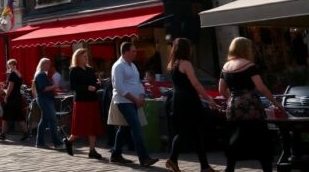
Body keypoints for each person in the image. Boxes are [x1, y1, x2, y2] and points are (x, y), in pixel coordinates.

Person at [219, 37, 282, 172]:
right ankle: (267, 168)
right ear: (245, 49)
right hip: (250, 105)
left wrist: (232, 99)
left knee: (235, 136)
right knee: (260, 136)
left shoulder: (225, 66)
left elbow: (221, 90)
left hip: (233, 107)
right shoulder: (249, 65)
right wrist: (275, 102)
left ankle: (230, 168)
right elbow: (261, 87)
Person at [165, 38, 218, 172]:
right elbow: (195, 83)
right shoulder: (186, 63)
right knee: (194, 131)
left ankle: (201, 165)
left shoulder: (172, 64)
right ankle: (175, 159)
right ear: (186, 49)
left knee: (187, 132)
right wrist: (208, 98)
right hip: (189, 99)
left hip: (177, 99)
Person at [110, 42, 158, 166]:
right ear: (125, 52)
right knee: (136, 127)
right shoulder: (118, 66)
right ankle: (144, 158)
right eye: (133, 51)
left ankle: (116, 154)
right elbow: (119, 87)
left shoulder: (133, 66)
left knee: (124, 129)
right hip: (124, 101)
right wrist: (135, 99)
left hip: (134, 101)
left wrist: (141, 95)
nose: (135, 53)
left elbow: (138, 83)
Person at [65, 49, 103, 159]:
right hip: (81, 101)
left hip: (92, 100)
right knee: (79, 127)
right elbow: (73, 87)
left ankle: (92, 150)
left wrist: (97, 85)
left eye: (87, 56)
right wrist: (87, 87)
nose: (86, 58)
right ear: (77, 58)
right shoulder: (74, 70)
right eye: (84, 56)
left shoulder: (90, 70)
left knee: (93, 126)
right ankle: (69, 141)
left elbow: (96, 83)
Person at [33, 58, 64, 149]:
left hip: (44, 99)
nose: (49, 66)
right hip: (45, 99)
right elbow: (44, 89)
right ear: (43, 64)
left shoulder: (41, 74)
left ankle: (40, 142)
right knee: (52, 120)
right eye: (48, 64)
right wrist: (54, 86)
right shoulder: (41, 75)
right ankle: (57, 143)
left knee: (44, 120)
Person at [1, 59, 28, 141]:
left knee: (5, 116)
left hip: (12, 97)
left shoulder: (12, 74)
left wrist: (6, 96)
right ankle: (26, 133)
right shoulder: (18, 73)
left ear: (11, 65)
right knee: (19, 115)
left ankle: (3, 133)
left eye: (8, 65)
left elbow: (10, 87)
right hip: (18, 96)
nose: (7, 66)